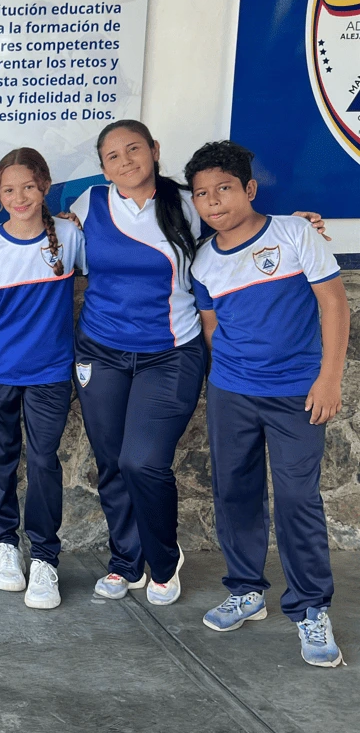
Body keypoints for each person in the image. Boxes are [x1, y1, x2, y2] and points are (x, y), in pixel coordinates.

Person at [66, 120, 328, 607]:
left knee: (141, 460)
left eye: (133, 149)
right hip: (100, 350)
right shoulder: (89, 203)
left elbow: (242, 225)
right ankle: (126, 561)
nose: (125, 161)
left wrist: (296, 225)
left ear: (154, 150)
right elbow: (43, 234)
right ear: (102, 168)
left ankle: (164, 560)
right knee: (112, 461)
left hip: (170, 352)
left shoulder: (190, 202)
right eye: (112, 156)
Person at [186, 140, 349, 667]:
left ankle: (310, 607)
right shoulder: (203, 261)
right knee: (235, 492)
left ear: (250, 189)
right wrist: (231, 379)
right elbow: (212, 329)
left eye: (224, 189)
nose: (213, 201)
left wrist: (329, 379)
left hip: (297, 392)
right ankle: (246, 590)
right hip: (232, 393)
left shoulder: (295, 233)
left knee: (298, 498)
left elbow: (334, 304)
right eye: (202, 194)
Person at [0, 149, 84, 610]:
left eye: (29, 187)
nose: (19, 197)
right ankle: (5, 546)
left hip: (50, 374)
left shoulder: (70, 237)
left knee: (42, 462)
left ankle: (45, 559)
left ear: (45, 187)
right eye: (9, 190)